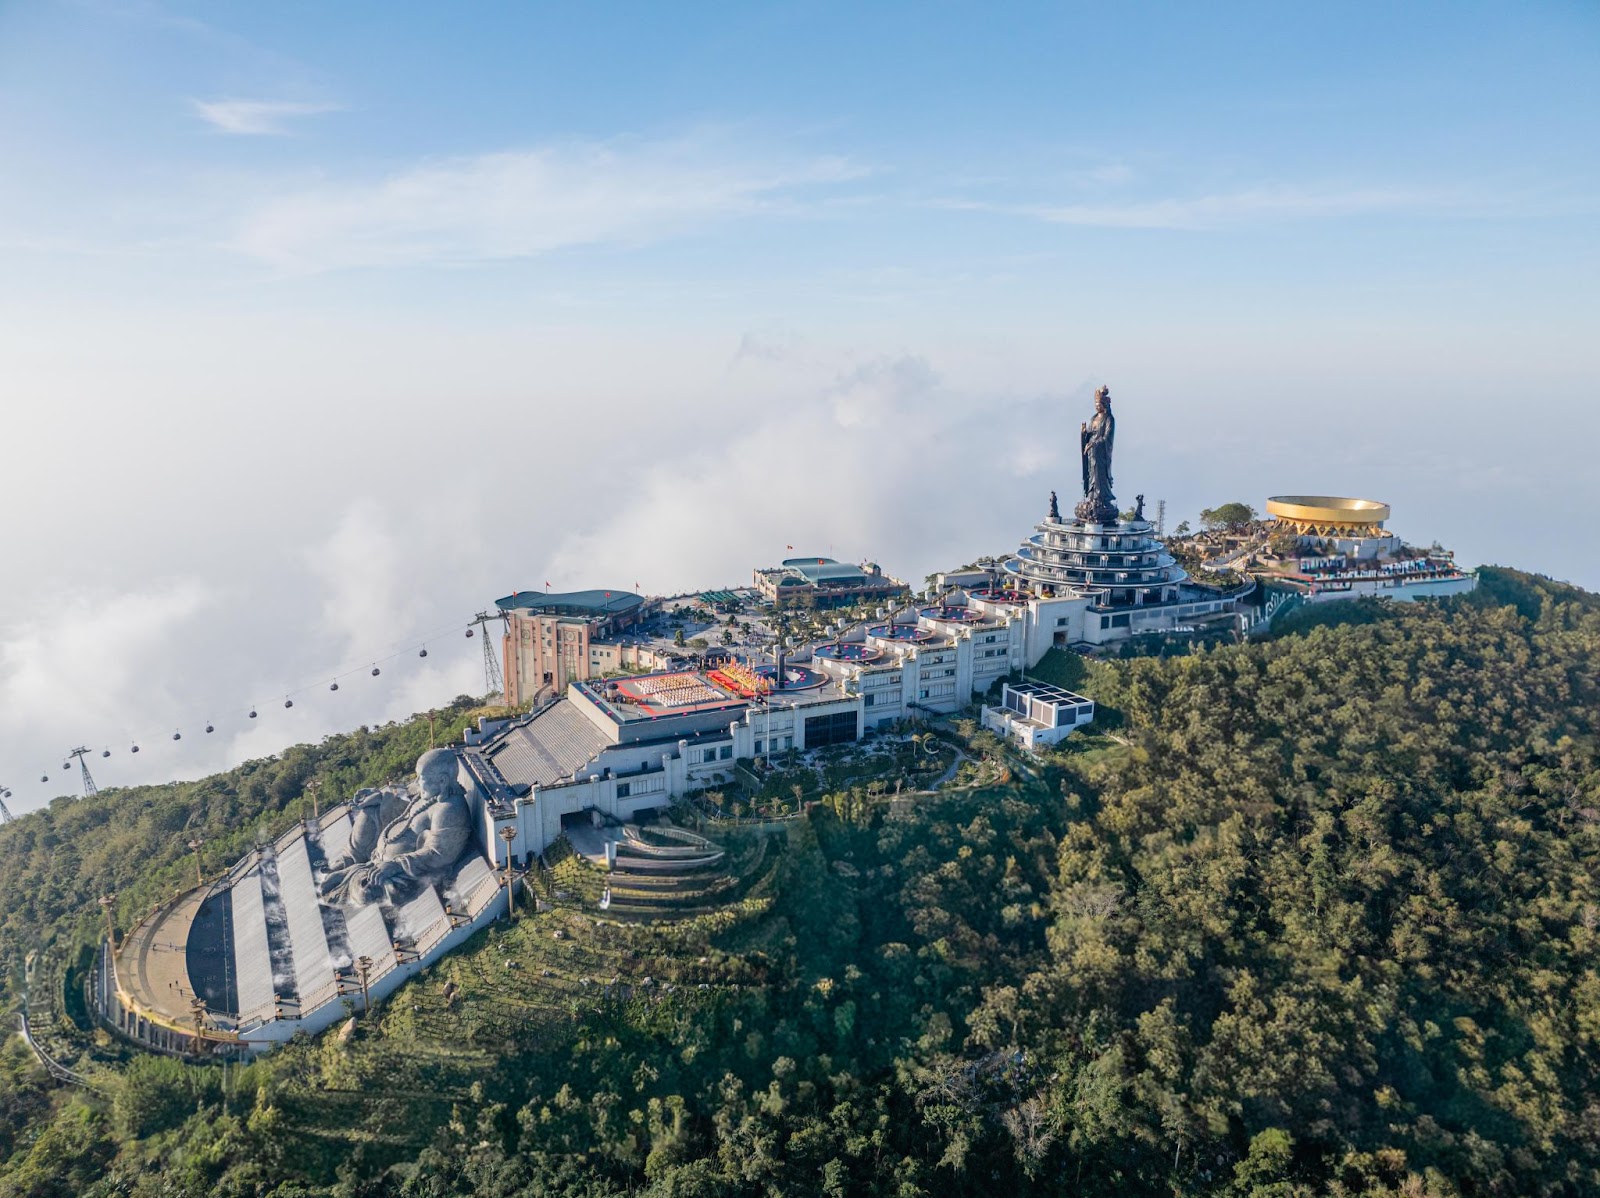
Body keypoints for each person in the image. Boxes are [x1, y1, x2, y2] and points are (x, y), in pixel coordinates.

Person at [320, 749, 472, 907]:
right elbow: (406, 797)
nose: (416, 782)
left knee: (366, 890)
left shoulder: (450, 809)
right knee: (371, 808)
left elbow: (439, 854)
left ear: (443, 780)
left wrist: (395, 865)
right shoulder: (431, 793)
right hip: (380, 857)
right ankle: (350, 857)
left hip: (403, 871)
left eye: (421, 778)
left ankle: (358, 872)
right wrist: (379, 797)